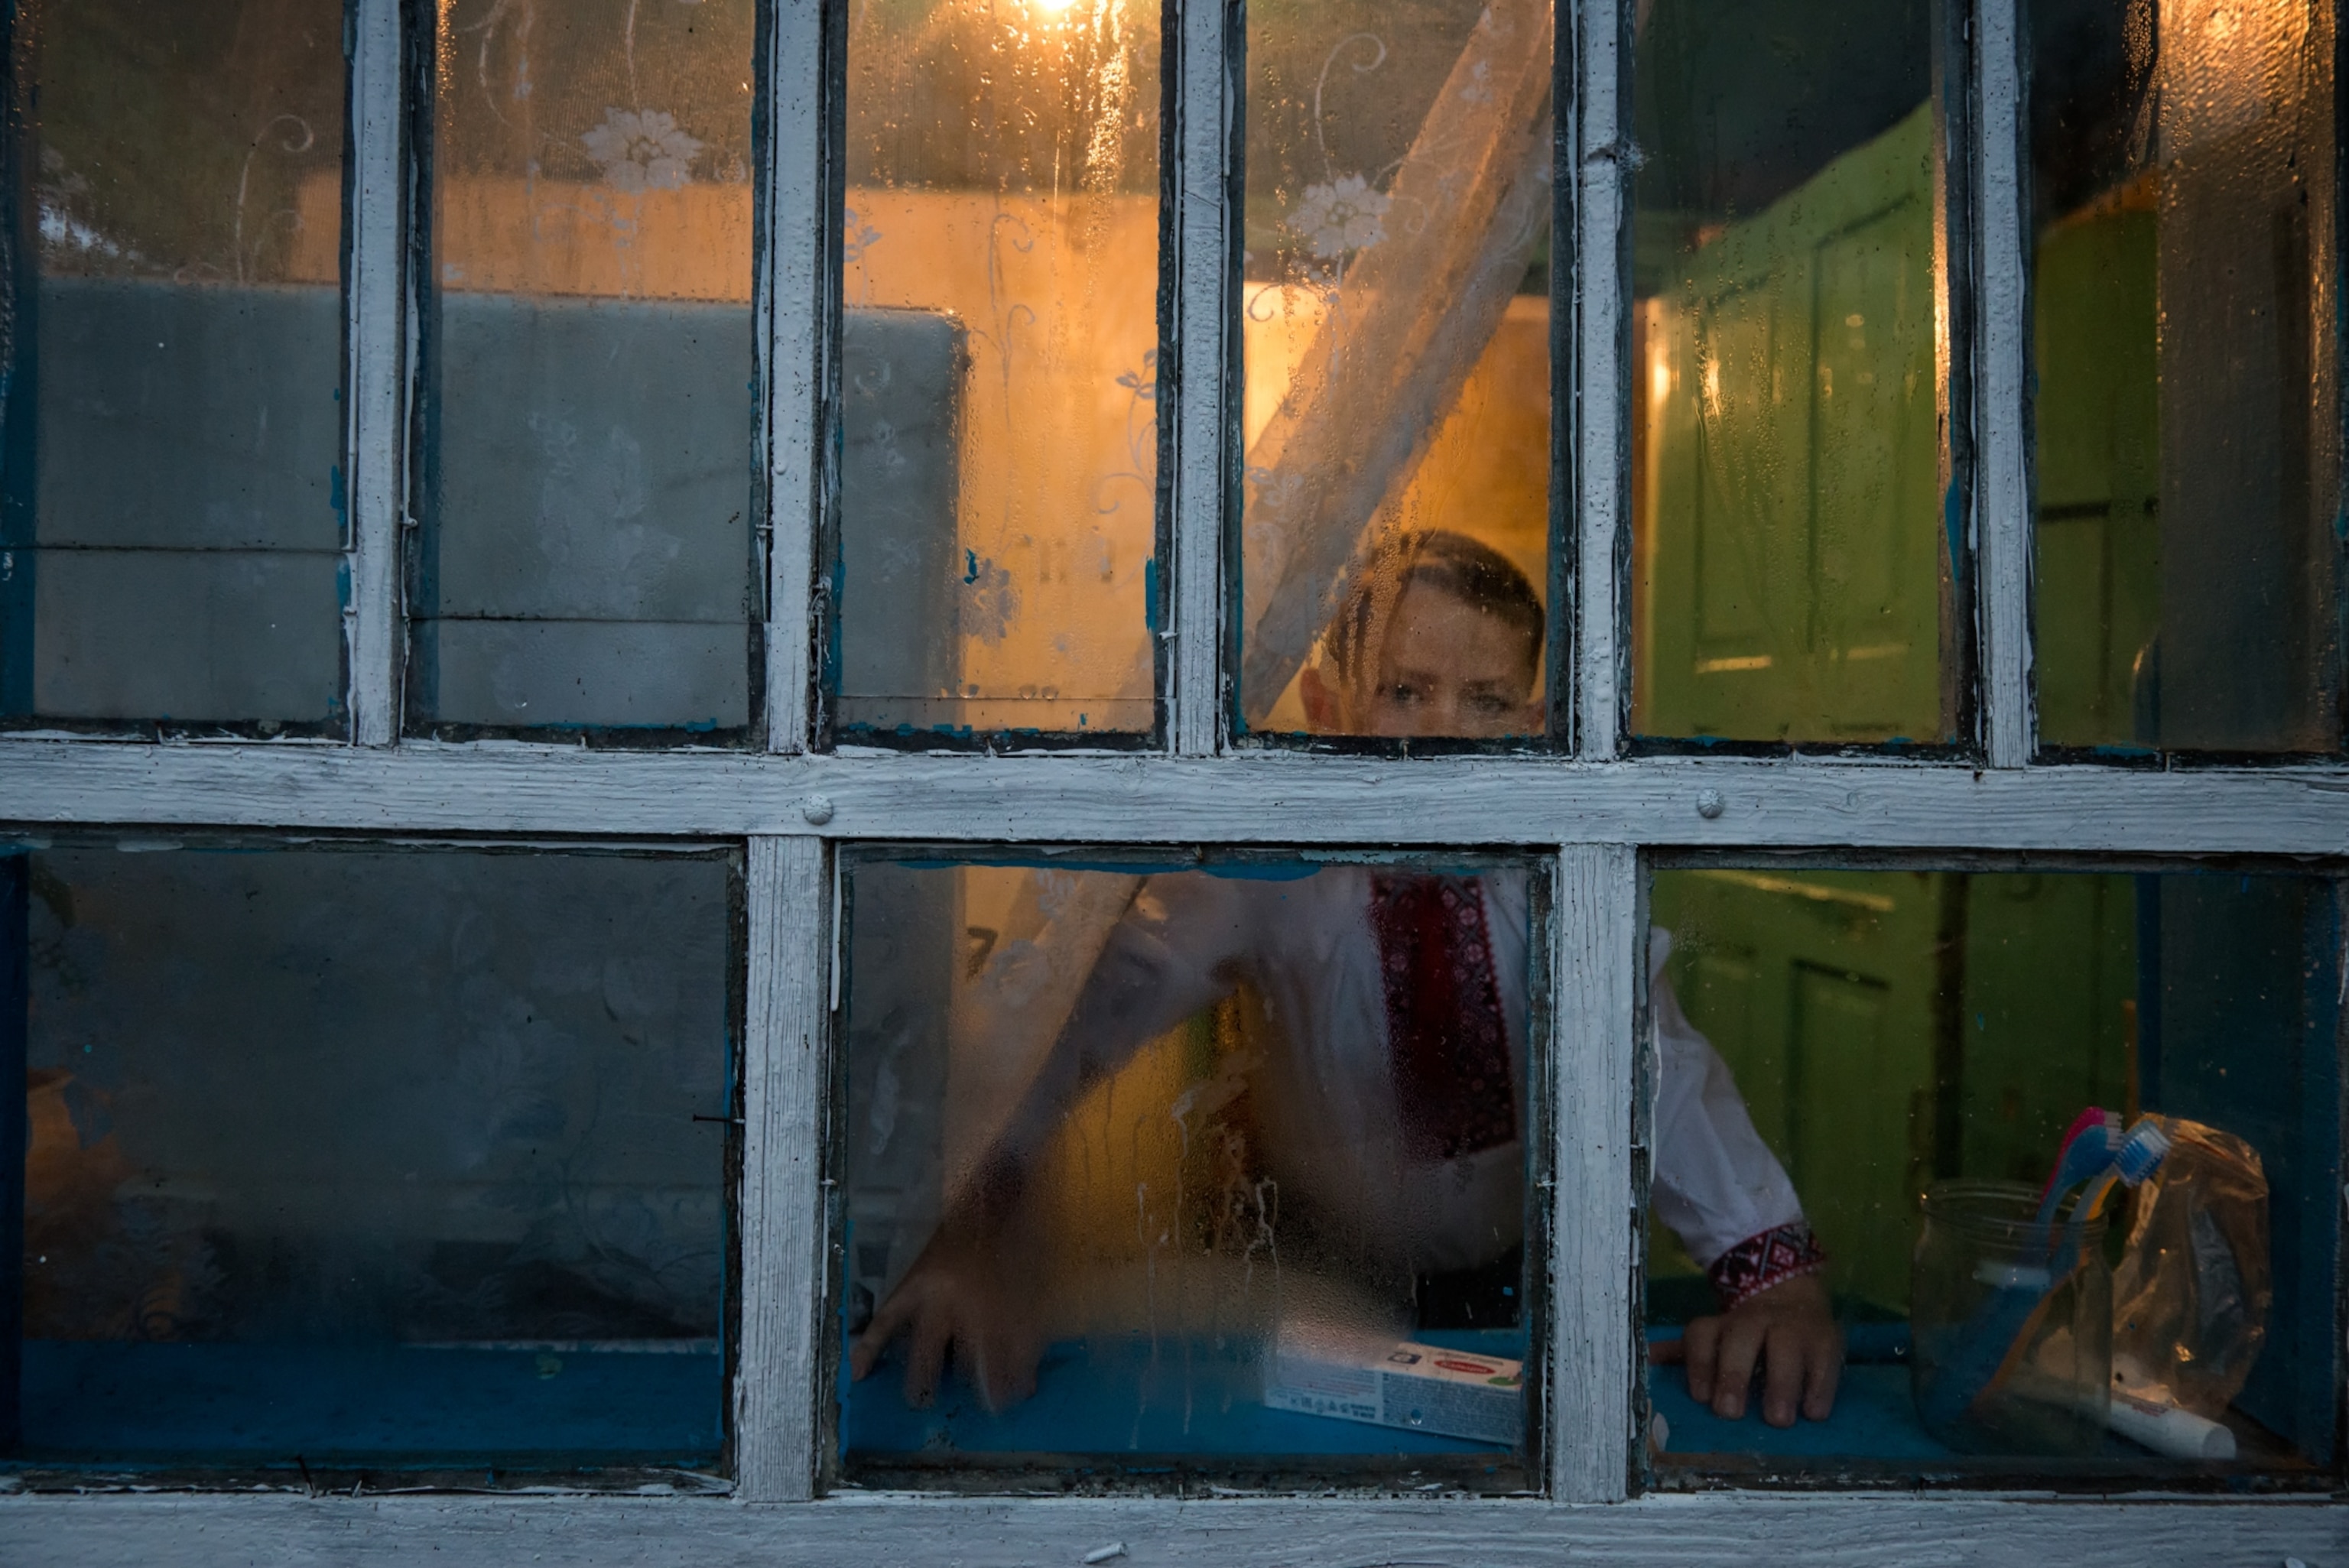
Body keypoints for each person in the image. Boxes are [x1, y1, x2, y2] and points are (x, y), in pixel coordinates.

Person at [851, 530, 1845, 1430]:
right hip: (1305, 1269)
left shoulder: (1556, 882)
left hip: (1515, 1274)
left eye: (1487, 701)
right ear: (1327, 707)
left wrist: (1772, 1278)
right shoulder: (1279, 870)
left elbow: (1652, 1061)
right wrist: (971, 1216)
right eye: (1405, 691)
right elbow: (1090, 1007)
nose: (1446, 735)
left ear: (1535, 724)